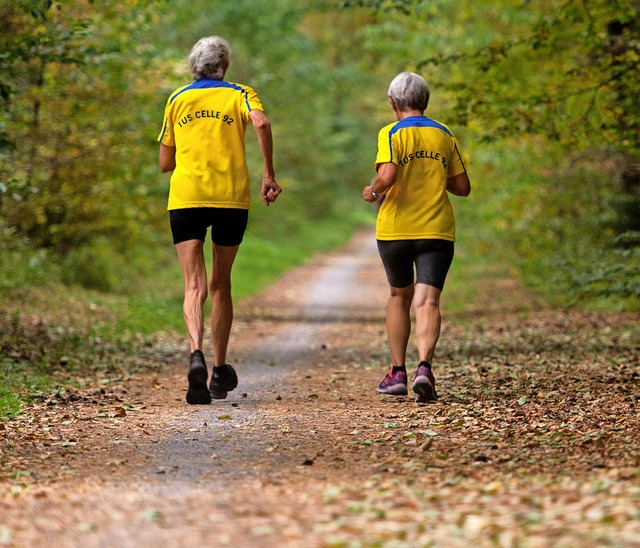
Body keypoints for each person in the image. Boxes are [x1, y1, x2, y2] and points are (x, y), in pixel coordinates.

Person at [158, 36, 282, 405]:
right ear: (224, 66)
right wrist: (269, 175)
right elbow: (260, 123)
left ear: (192, 68)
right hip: (230, 198)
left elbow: (166, 162)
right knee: (220, 284)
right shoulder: (241, 93)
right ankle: (218, 371)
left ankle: (195, 353)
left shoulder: (178, 99)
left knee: (192, 286)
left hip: (186, 197)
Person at [362, 71, 470, 403]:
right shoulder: (445, 134)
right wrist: (435, 175)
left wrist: (374, 189)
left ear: (393, 103)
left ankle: (397, 373)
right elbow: (462, 187)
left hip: (396, 230)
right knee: (428, 301)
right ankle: (425, 368)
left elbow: (389, 173)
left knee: (399, 296)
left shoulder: (391, 132)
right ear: (426, 102)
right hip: (437, 229)